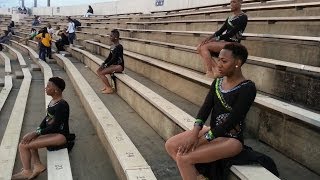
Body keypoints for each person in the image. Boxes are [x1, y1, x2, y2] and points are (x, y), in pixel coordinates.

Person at [165, 43, 257, 180]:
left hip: (231, 139)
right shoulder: (218, 82)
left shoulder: (247, 88)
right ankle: (198, 177)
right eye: (218, 59)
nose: (218, 64)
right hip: (213, 131)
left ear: (238, 63)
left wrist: (201, 140)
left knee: (183, 157)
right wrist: (195, 133)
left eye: (224, 61)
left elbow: (232, 120)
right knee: (171, 145)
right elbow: (205, 109)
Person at [11, 77, 70, 180]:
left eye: (48, 86)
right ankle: (38, 165)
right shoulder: (53, 101)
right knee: (28, 138)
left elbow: (55, 127)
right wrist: (37, 131)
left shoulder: (62, 105)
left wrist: (36, 133)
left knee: (23, 145)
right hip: (53, 133)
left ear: (56, 90)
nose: (45, 88)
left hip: (60, 136)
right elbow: (47, 118)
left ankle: (27, 172)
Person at [197, 0, 247, 78]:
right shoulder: (230, 17)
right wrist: (209, 38)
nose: (231, 4)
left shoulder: (243, 17)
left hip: (234, 43)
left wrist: (217, 39)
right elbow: (220, 31)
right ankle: (217, 70)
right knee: (200, 47)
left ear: (240, 3)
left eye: (234, 2)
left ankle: (210, 72)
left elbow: (231, 34)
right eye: (231, 2)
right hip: (225, 42)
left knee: (204, 47)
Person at [97, 29, 124, 94]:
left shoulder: (119, 46)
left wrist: (106, 65)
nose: (110, 37)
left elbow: (114, 58)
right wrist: (104, 63)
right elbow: (109, 57)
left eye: (111, 36)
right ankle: (106, 86)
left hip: (119, 66)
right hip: (114, 65)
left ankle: (109, 88)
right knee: (98, 70)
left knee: (101, 73)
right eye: (110, 36)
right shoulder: (112, 46)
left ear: (116, 37)